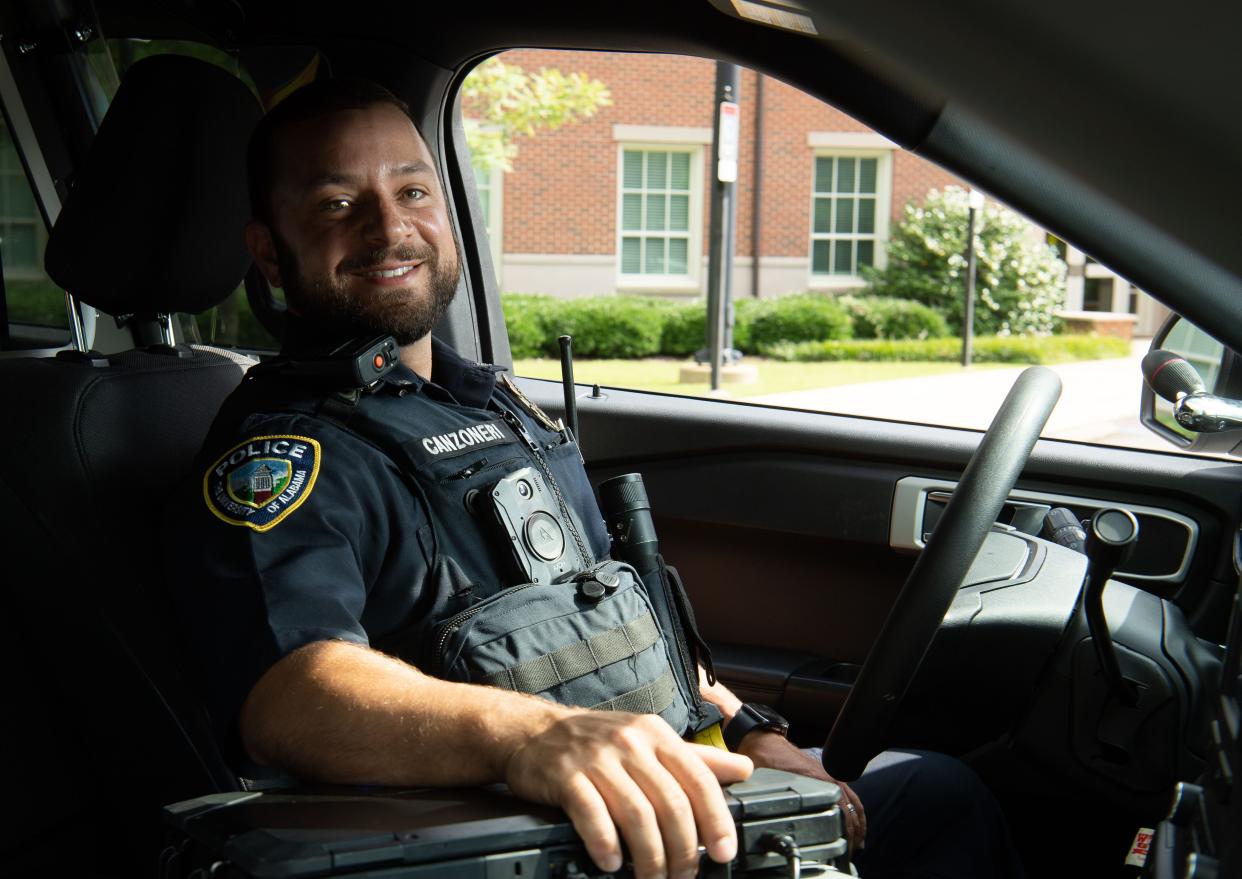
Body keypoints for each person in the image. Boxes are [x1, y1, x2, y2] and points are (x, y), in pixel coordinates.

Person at [167, 78, 1022, 879]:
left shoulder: (490, 401)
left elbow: (623, 619)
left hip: (657, 790)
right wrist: (531, 736)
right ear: (270, 256)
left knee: (945, 789)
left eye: (413, 191)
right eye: (337, 204)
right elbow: (291, 693)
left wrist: (749, 732)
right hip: (538, 836)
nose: (390, 229)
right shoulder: (284, 453)